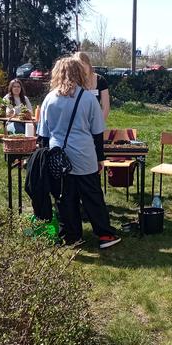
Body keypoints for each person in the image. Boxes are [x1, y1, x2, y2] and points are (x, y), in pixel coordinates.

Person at [37, 56, 121, 249]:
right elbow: (97, 133)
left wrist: (46, 159)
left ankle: (71, 236)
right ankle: (104, 235)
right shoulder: (88, 98)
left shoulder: (49, 99)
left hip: (58, 156)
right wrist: (100, 159)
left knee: (65, 198)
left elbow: (43, 134)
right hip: (84, 155)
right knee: (92, 197)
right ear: (79, 73)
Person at [75, 51, 110, 121]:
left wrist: (98, 125)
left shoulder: (101, 80)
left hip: (96, 121)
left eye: (83, 64)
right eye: (79, 66)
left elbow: (106, 107)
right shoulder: (75, 82)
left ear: (89, 64)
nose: (82, 68)